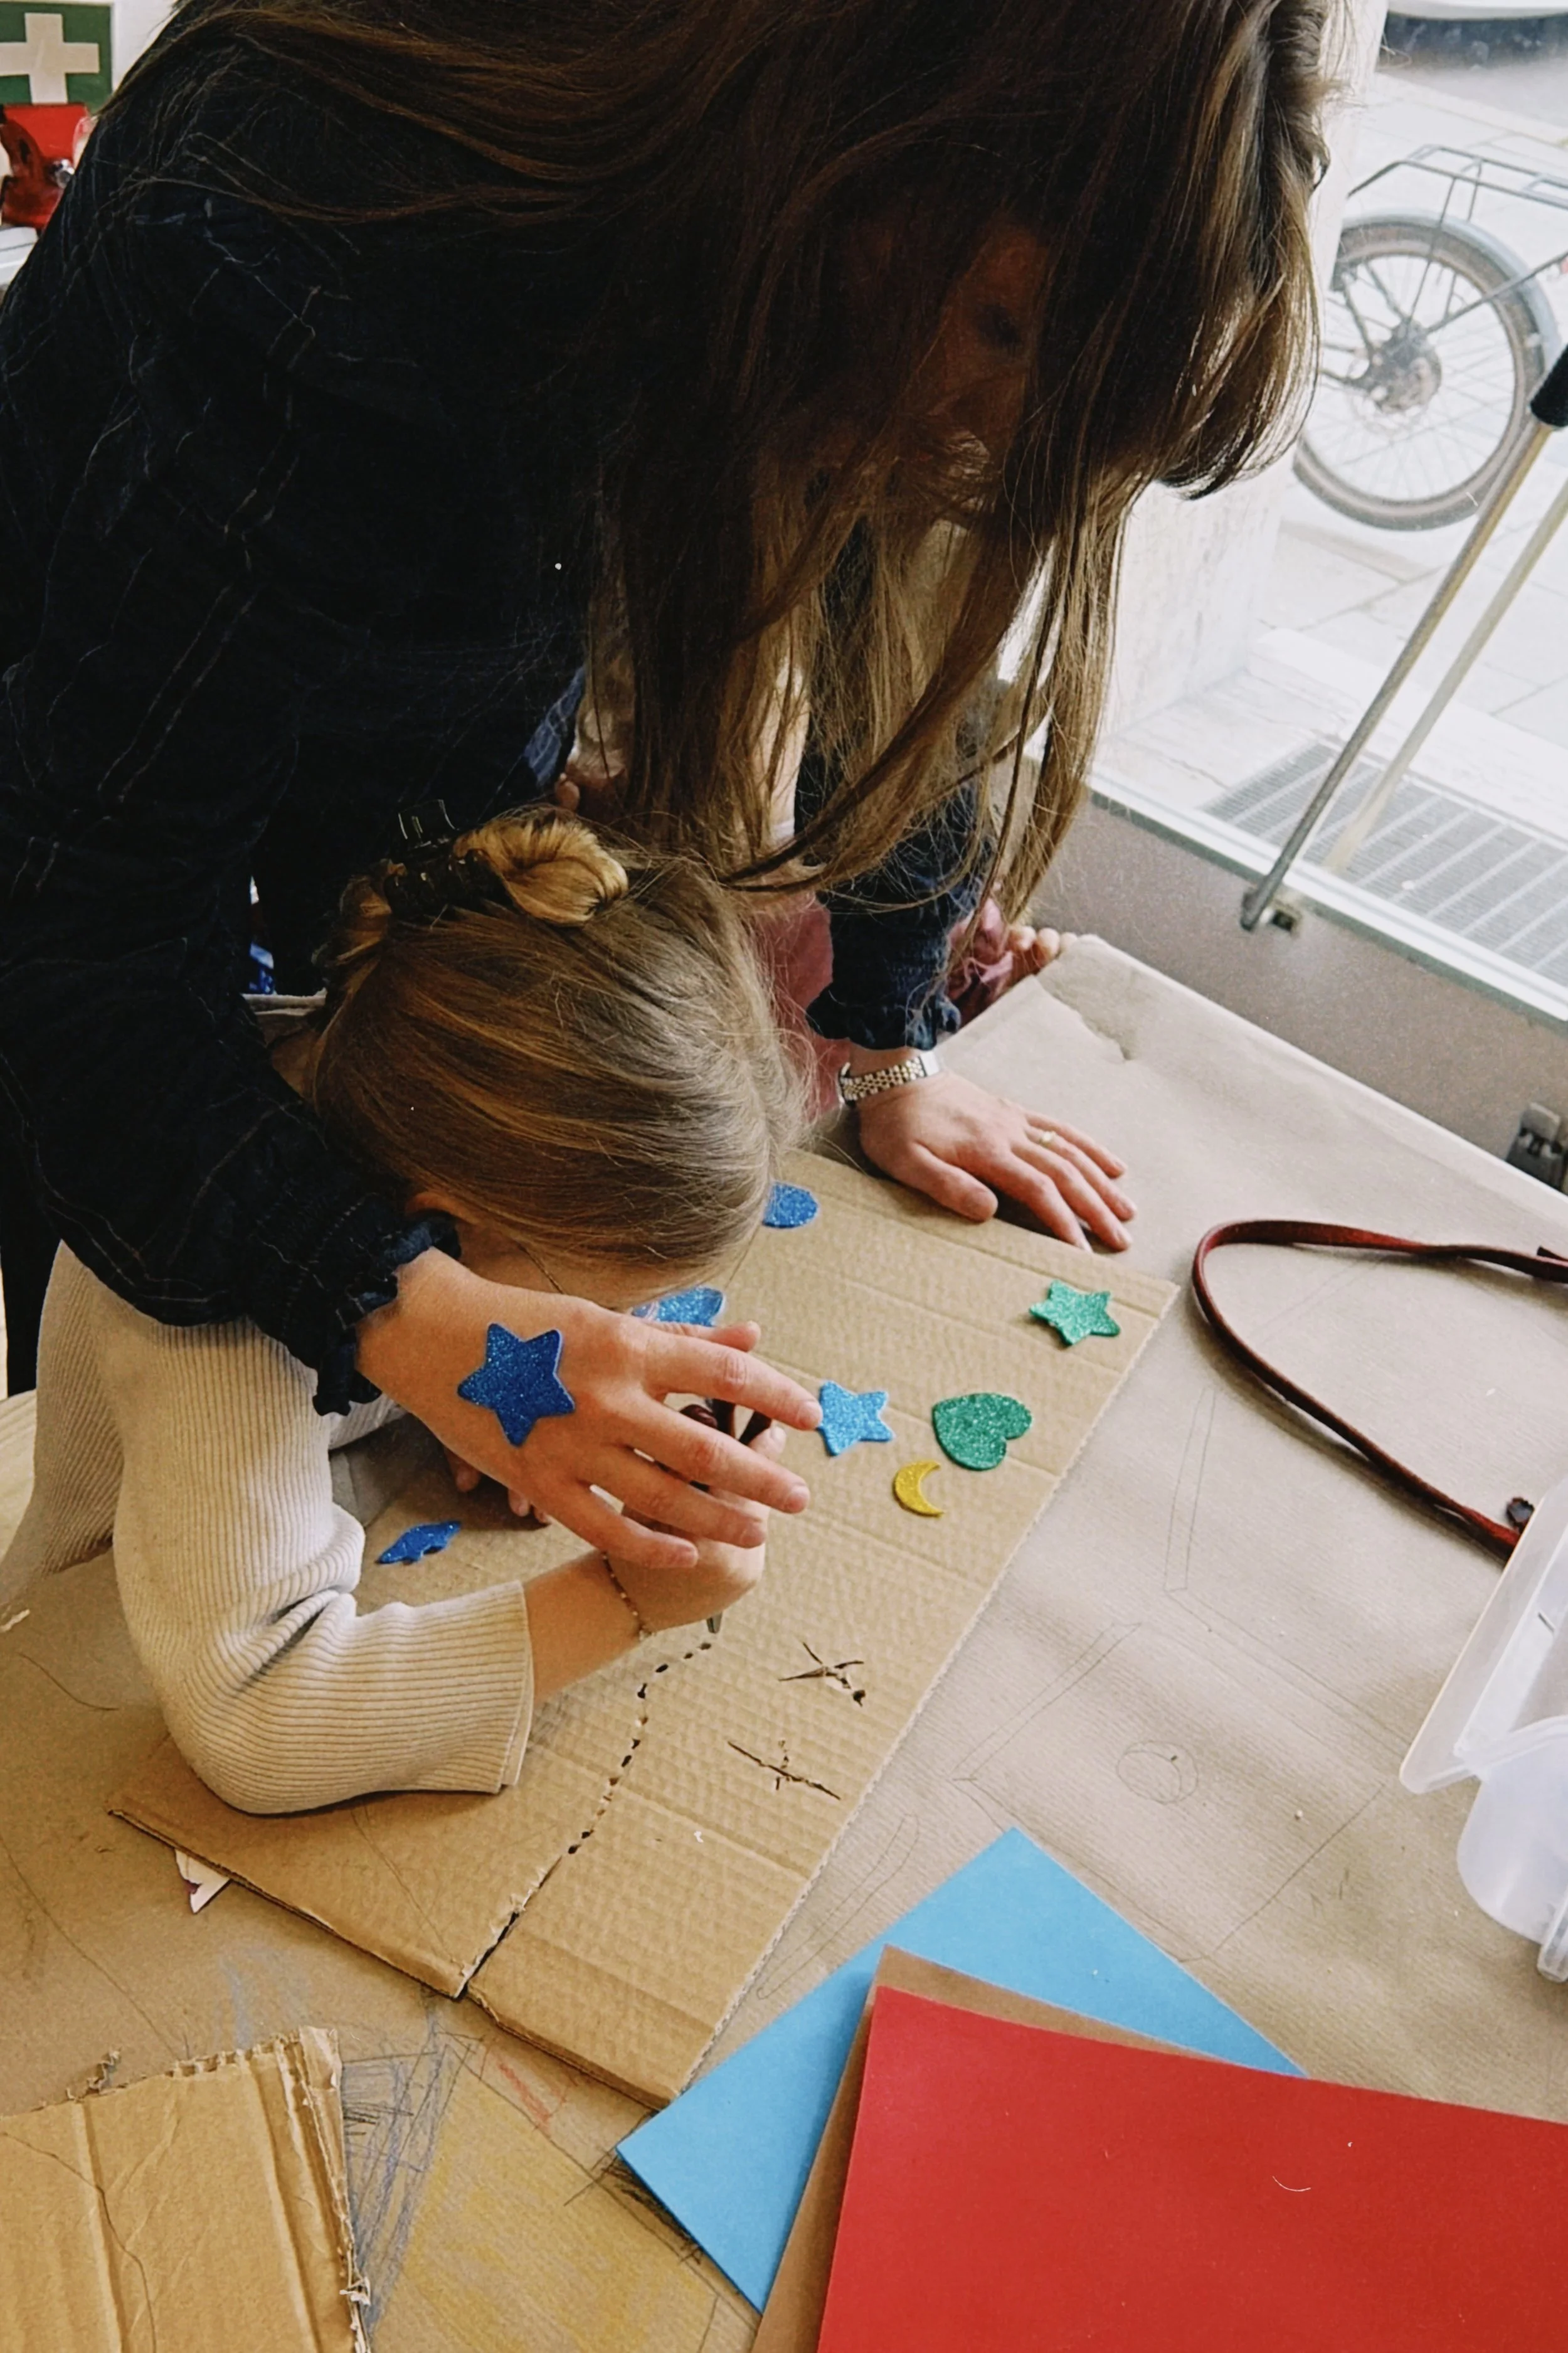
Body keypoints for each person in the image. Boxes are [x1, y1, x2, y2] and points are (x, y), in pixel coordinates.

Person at [0, 0, 1332, 1571]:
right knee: (133, 1349)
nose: (958, 437)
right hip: (68, 751)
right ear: (863, 124)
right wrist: (408, 1312)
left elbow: (896, 608)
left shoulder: (843, 254)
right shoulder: (327, 230)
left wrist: (883, 1035)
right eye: (995, 335)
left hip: (391, 706)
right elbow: (82, 937)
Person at [1, 809, 812, 1812]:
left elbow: (417, 1336)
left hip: (323, 1518)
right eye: (593, 1309)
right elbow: (259, 1722)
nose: (611, 1342)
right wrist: (625, 1598)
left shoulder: (368, 1082)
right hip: (78, 1687)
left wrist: (487, 1412)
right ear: (436, 1231)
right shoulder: (220, 1317)